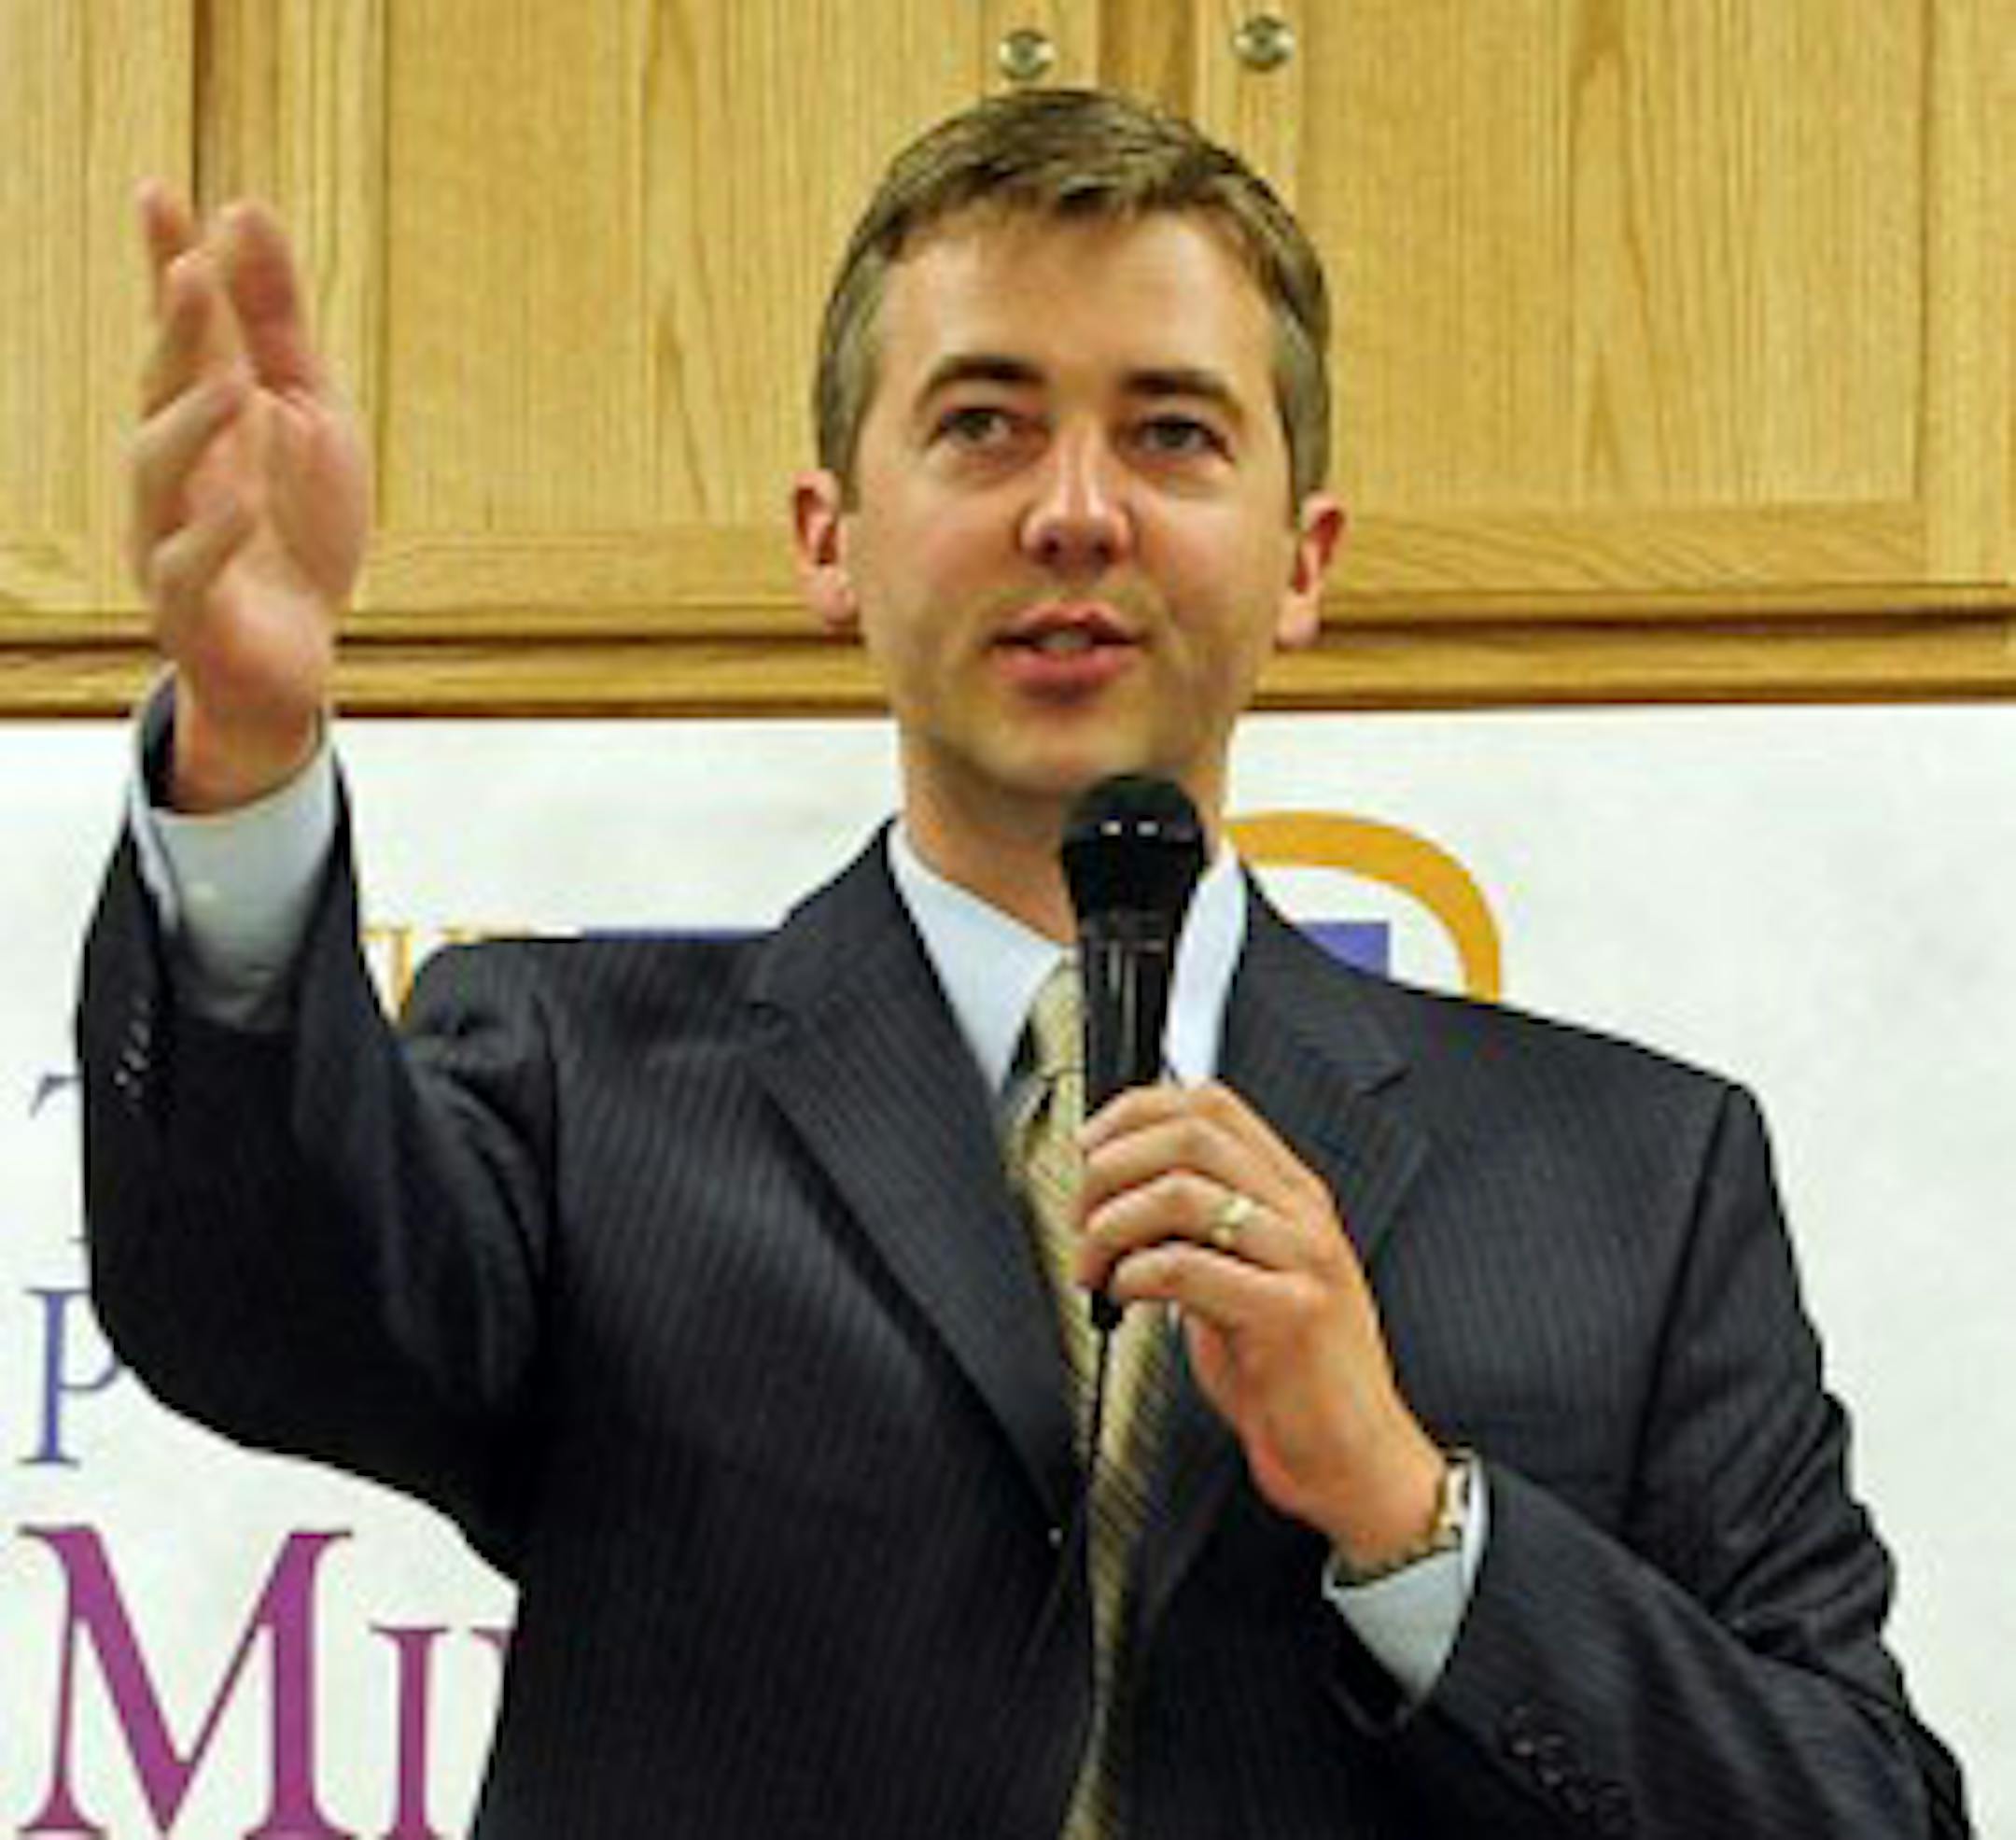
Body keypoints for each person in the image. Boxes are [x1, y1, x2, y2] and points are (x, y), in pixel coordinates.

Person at [79, 88, 1969, 1838]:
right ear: (832, 538)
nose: (1077, 507)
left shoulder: (1636, 1180)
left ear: (1301, 560)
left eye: (1170, 428)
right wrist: (244, 756)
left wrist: (1411, 1509)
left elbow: (1864, 1809)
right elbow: (250, 1298)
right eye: (983, 421)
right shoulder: (578, 1087)